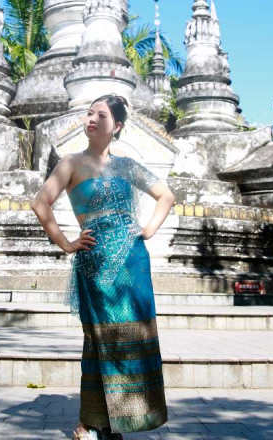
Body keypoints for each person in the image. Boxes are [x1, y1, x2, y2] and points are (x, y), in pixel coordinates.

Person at [32, 94, 174, 439]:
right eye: (89, 113)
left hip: (132, 263)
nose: (91, 119)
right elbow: (40, 203)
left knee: (132, 338)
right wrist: (66, 243)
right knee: (99, 339)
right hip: (96, 265)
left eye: (101, 115)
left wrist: (147, 230)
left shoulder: (127, 165)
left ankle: (120, 420)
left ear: (117, 126)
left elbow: (166, 196)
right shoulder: (70, 163)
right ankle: (90, 423)